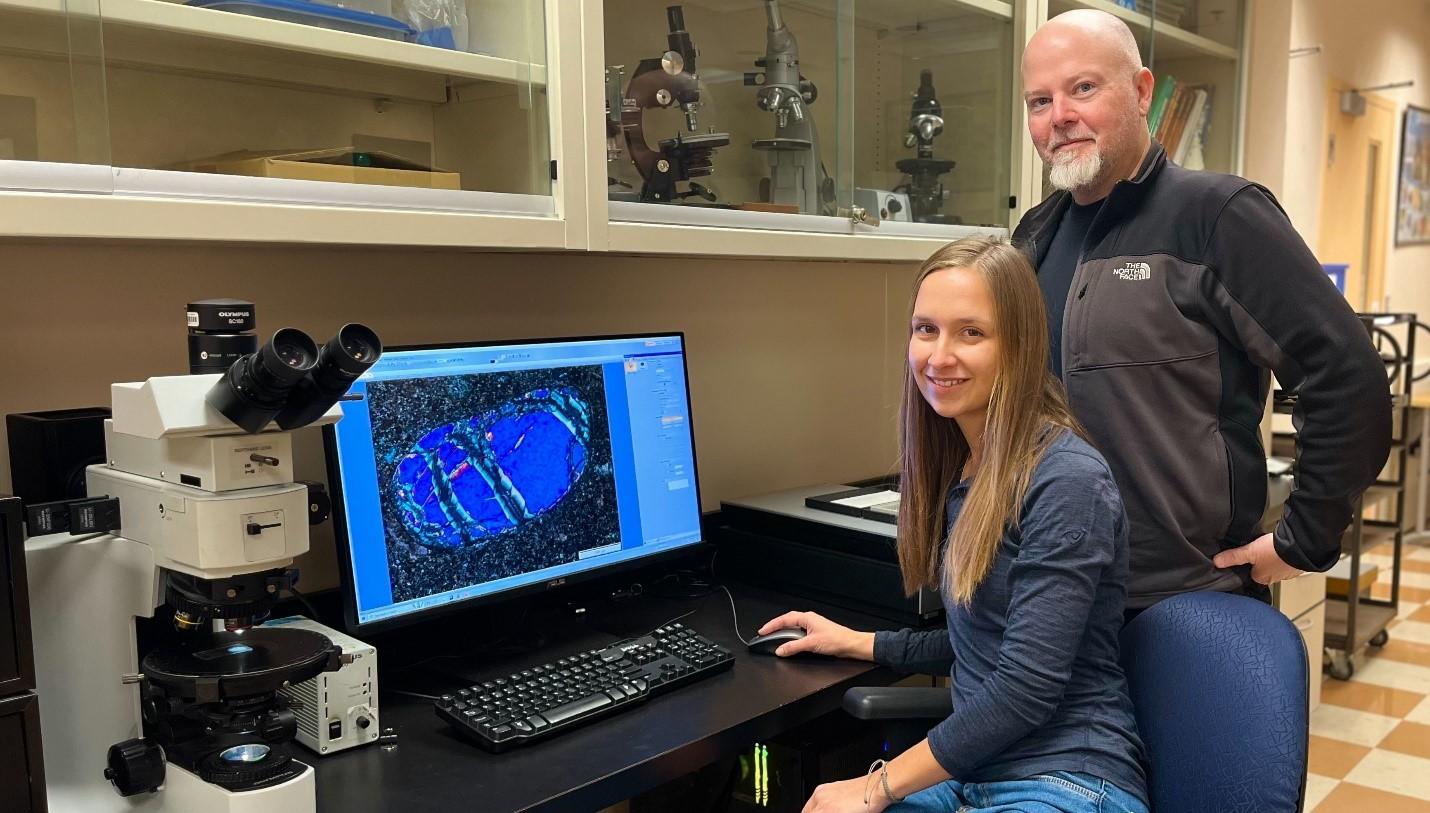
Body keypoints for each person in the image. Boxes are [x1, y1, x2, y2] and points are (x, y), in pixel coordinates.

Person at [1016, 10, 1390, 609]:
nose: (1059, 115)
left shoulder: (1218, 215)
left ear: (1142, 92)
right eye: (1040, 100)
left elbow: (1347, 377)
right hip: (1056, 588)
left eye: (1083, 88)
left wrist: (1303, 539)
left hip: (1186, 597)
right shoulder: (1034, 235)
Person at [765, 236, 1148, 813]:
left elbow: (1024, 689)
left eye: (971, 333)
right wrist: (861, 642)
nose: (939, 356)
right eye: (926, 329)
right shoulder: (969, 466)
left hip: (1067, 780)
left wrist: (876, 786)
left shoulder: (1066, 481)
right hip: (976, 774)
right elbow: (986, 638)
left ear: (1018, 346)